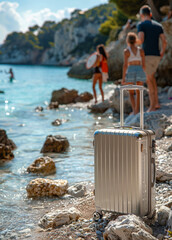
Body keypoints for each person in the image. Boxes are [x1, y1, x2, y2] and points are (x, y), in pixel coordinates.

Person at [137, 5, 167, 112]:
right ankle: (157, 103)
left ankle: (152, 106)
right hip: (156, 56)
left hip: (147, 56)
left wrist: (133, 42)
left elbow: (141, 39)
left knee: (149, 80)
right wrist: (162, 52)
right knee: (152, 78)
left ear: (142, 15)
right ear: (150, 14)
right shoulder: (158, 26)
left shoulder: (141, 25)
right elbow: (164, 41)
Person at [122, 32, 146, 115]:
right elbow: (144, 65)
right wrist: (144, 74)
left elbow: (125, 65)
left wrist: (123, 78)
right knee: (139, 91)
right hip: (139, 69)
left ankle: (134, 111)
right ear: (136, 40)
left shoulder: (126, 51)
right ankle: (137, 110)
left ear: (127, 41)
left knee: (131, 93)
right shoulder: (141, 50)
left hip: (131, 70)